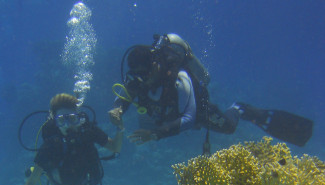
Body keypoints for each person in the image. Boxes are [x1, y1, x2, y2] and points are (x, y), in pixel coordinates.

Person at [108, 33, 313, 148]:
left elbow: (189, 118)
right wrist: (118, 109)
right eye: (137, 75)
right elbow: (125, 95)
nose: (142, 80)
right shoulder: (139, 78)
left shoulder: (179, 77)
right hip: (169, 114)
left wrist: (154, 134)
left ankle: (239, 108)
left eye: (144, 74)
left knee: (229, 127)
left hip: (197, 111)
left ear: (155, 65)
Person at [5, 93, 123, 185]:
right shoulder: (50, 146)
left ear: (78, 118)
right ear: (55, 122)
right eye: (62, 120)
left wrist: (120, 127)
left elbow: (115, 147)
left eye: (72, 119)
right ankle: (43, 173)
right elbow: (32, 181)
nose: (68, 126)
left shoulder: (88, 132)